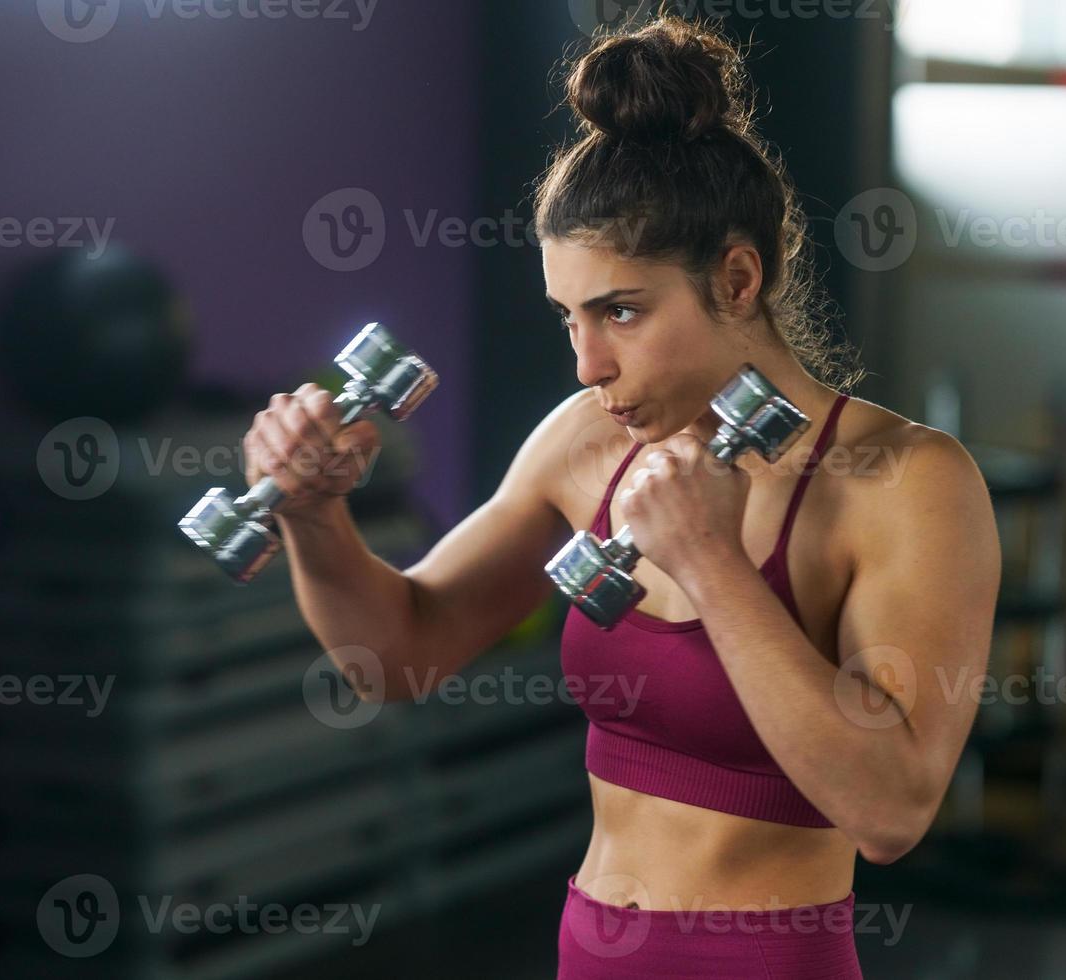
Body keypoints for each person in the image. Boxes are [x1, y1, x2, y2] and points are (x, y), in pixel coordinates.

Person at [241, 13, 999, 978]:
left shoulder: (907, 482)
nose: (589, 363)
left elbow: (891, 810)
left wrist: (715, 564)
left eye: (623, 312)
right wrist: (314, 518)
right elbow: (398, 655)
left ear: (736, 278)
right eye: (569, 317)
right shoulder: (587, 441)